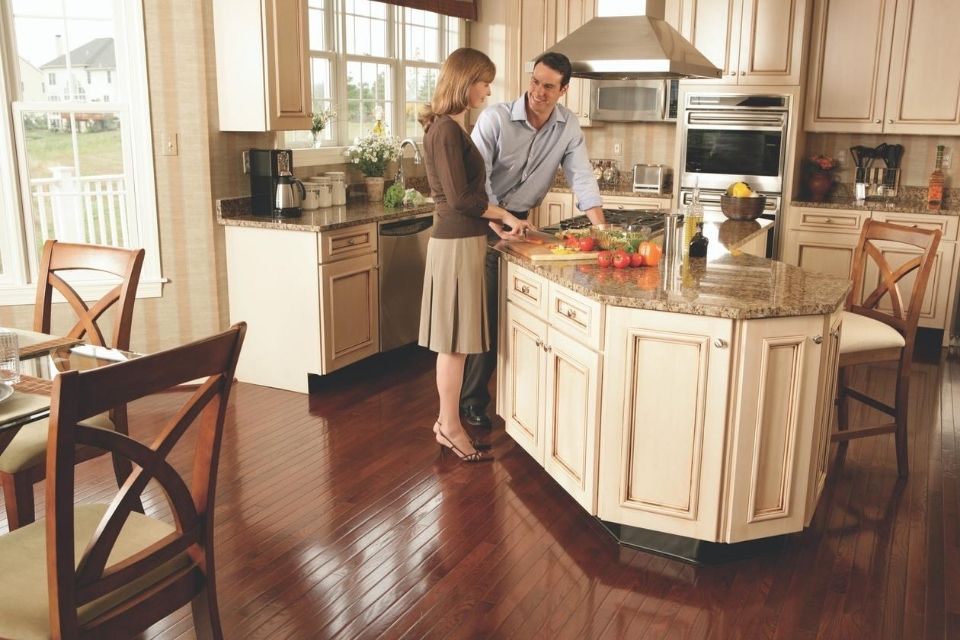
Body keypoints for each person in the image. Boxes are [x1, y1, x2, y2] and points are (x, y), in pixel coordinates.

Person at [460, 51, 605, 429]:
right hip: (482, 221)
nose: (538, 92)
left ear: (564, 90)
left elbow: (581, 177)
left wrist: (601, 229)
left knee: (519, 314)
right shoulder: (495, 119)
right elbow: (478, 178)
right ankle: (471, 401)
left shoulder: (567, 126)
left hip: (520, 224)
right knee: (488, 314)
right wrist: (496, 219)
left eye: (549, 86)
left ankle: (523, 403)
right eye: (535, 82)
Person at [417, 48, 534, 463]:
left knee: (458, 345)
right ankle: (449, 426)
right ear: (465, 81)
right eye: (484, 81)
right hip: (453, 247)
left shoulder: (447, 127)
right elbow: (462, 198)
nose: (488, 88)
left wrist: (495, 225)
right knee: (453, 347)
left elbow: (466, 203)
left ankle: (446, 423)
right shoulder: (446, 130)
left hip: (463, 241)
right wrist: (502, 212)